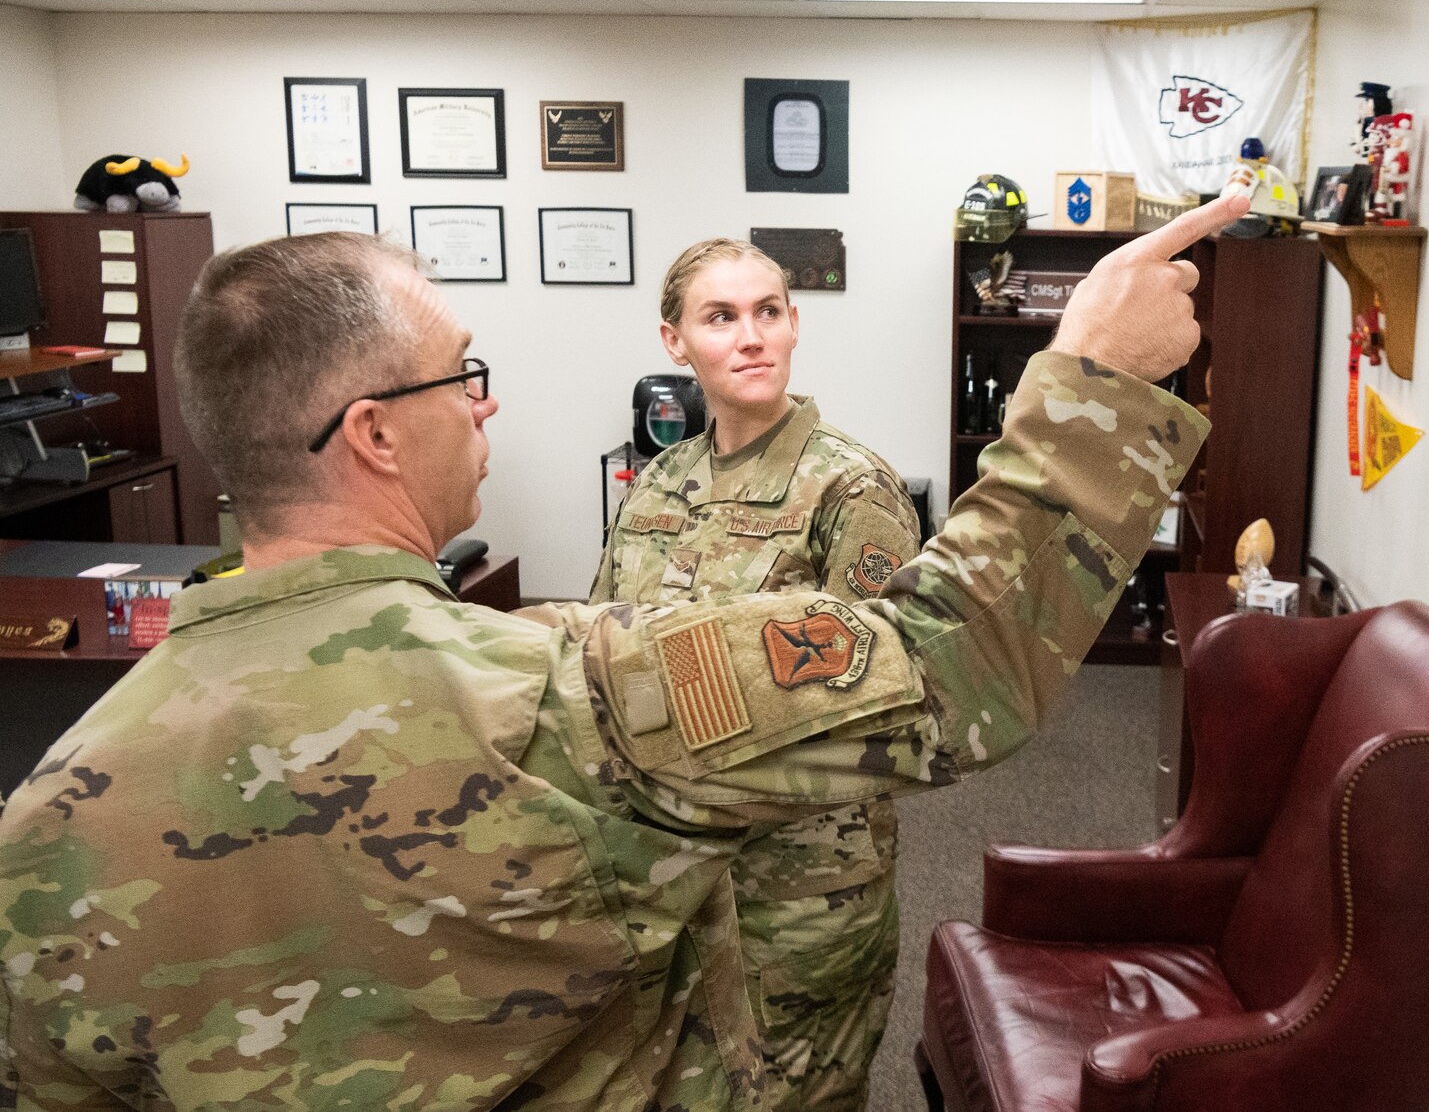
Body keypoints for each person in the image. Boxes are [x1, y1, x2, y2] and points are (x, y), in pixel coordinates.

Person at [0, 194, 1246, 1111]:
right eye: (461, 377)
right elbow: (948, 661)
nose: (483, 403)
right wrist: (1091, 377)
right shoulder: (553, 696)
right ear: (373, 434)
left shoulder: (50, 814)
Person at [591, 239, 921, 1111]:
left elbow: (891, 704)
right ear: (675, 343)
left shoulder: (850, 489)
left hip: (800, 892)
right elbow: (596, 651)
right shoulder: (659, 481)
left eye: (767, 311)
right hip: (668, 877)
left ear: (795, 323)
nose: (751, 336)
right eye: (721, 316)